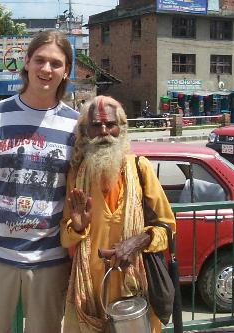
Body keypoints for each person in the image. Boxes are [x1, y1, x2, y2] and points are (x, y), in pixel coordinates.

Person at [0, 29, 79, 333]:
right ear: (26, 62)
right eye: (40, 60)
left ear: (66, 72)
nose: (46, 69)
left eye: (56, 63)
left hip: (50, 259)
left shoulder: (76, 125)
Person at [60, 95, 176, 333]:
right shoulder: (77, 175)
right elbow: (64, 237)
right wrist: (79, 227)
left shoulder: (139, 168)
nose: (104, 131)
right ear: (86, 131)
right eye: (96, 125)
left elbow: (167, 227)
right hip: (90, 290)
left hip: (135, 287)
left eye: (110, 124)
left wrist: (136, 242)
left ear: (121, 129)